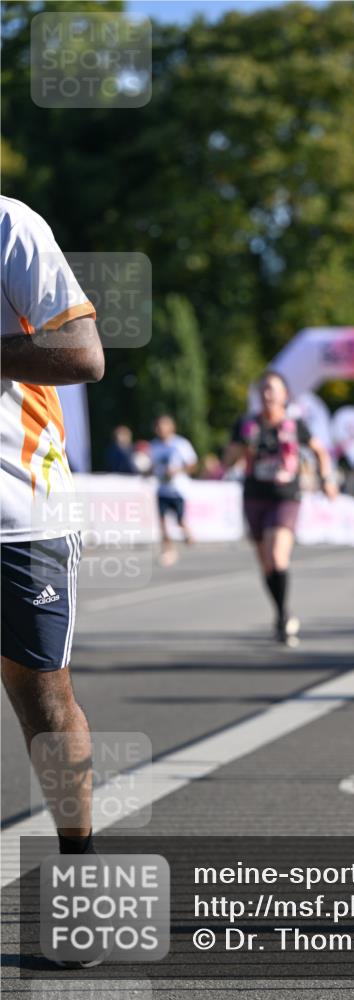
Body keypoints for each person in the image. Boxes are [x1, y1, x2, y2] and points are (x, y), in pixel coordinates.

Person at [0, 199, 104, 896]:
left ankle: (79, 866)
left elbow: (83, 354)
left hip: (20, 513)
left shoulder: (10, 227)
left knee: (41, 699)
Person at [223, 371, 337, 646]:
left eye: (272, 389)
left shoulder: (295, 425)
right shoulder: (247, 424)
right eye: (263, 389)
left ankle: (284, 617)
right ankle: (281, 612)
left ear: (284, 395)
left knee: (277, 555)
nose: (267, 394)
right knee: (266, 563)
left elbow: (320, 451)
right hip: (254, 496)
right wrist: (242, 446)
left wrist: (327, 479)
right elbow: (228, 460)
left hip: (285, 496)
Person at [150, 415, 198, 566]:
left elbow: (193, 465)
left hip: (178, 490)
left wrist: (177, 471)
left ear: (171, 427)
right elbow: (152, 467)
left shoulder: (181, 444)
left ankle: (188, 534)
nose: (161, 429)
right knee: (162, 522)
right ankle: (168, 551)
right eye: (158, 426)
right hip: (162, 489)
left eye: (164, 425)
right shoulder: (154, 445)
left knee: (180, 520)